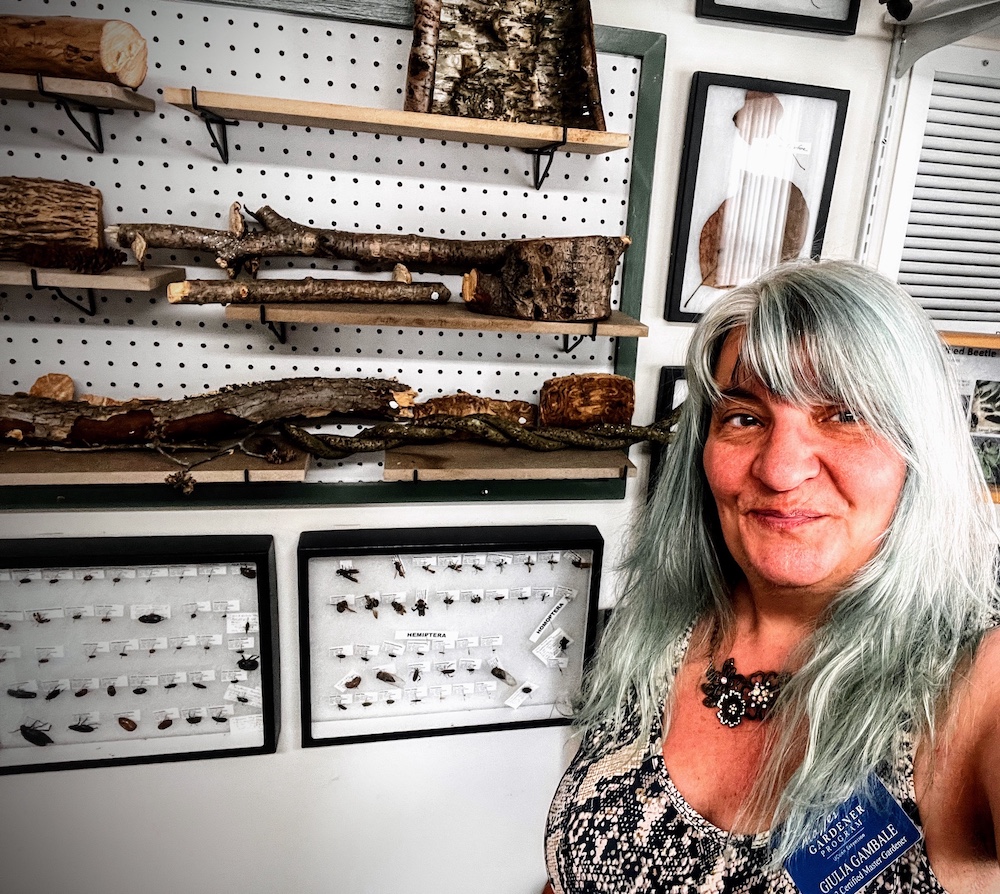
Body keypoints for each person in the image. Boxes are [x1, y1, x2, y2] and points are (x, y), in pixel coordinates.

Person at [544, 259, 1000, 893]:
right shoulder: (653, 632)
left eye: (843, 414)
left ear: (917, 451)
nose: (781, 471)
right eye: (745, 417)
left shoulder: (974, 680)